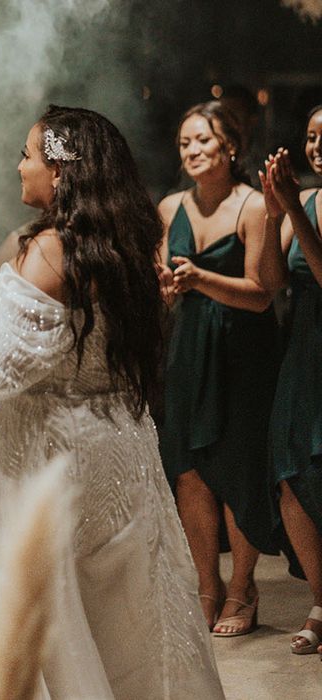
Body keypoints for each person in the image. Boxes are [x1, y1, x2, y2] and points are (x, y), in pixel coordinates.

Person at [0, 106, 224, 699]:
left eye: (27, 155)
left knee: (41, 618)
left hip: (45, 456)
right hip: (120, 449)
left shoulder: (47, 251)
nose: (18, 166)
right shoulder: (129, 242)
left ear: (61, 173)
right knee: (128, 617)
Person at [157, 100, 281, 637]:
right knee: (188, 472)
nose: (193, 151)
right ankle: (206, 586)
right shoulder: (168, 208)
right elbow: (166, 286)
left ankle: (242, 588)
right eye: (185, 143)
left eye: (203, 140)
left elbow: (263, 294)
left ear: (230, 145)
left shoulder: (254, 206)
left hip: (243, 351)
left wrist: (199, 280)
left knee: (238, 468)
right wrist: (163, 289)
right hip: (187, 350)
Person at [260, 105, 322, 655]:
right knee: (290, 476)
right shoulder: (304, 203)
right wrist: (270, 213)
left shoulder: (310, 209)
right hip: (303, 356)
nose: (316, 145)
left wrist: (295, 214)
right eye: (309, 136)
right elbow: (270, 281)